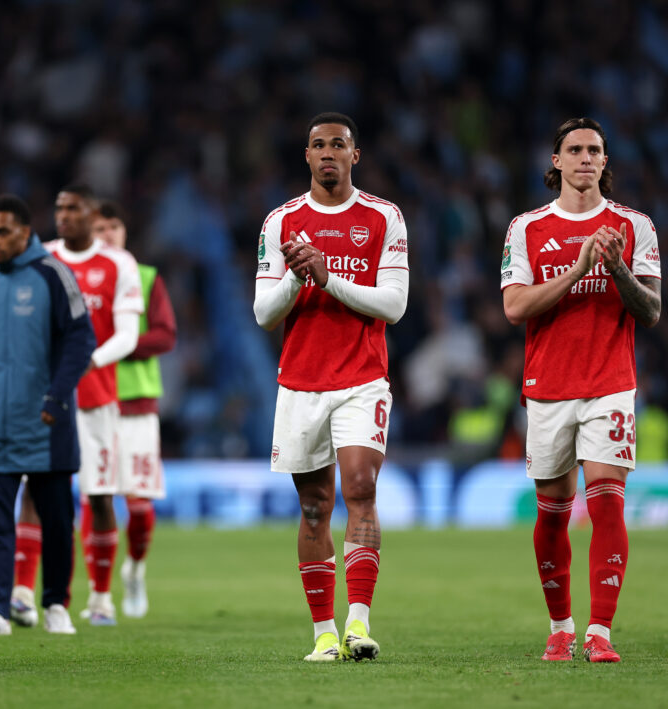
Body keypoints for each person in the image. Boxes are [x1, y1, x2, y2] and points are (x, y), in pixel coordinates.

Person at [501, 117, 661, 663]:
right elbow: (515, 307)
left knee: (607, 504)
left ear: (605, 162)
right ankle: (561, 626)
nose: (586, 158)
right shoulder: (527, 228)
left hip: (610, 384)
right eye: (575, 150)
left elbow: (652, 310)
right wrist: (579, 267)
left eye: (595, 150)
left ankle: (600, 633)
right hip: (548, 387)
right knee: (551, 513)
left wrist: (616, 268)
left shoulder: (634, 226)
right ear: (556, 162)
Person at [253, 112, 409, 662]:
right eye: (317, 144)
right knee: (315, 508)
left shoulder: (383, 217)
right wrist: (297, 276)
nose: (327, 153)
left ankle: (358, 624)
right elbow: (263, 313)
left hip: (362, 378)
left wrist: (329, 276)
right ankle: (323, 633)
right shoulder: (281, 222)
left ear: (354, 155)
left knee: (360, 490)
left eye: (338, 145)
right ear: (306, 155)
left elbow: (394, 304)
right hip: (300, 382)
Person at [0, 194, 95, 637]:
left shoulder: (53, 275)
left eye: (1, 232)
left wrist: (57, 397)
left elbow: (80, 340)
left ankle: (56, 603)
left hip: (45, 422)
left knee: (56, 523)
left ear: (24, 231)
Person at [12, 184, 142, 627]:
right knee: (33, 488)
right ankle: (23, 592)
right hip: (44, 397)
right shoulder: (41, 258)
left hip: (95, 399)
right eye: (59, 207)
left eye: (73, 209)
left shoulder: (118, 263)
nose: (63, 216)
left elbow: (128, 335)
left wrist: (86, 361)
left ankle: (101, 598)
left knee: (100, 496)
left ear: (92, 215)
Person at [89, 200, 177, 618]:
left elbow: (165, 335)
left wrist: (118, 345)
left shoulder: (145, 278)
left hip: (138, 405)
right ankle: (99, 593)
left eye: (113, 227)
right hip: (92, 401)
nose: (106, 235)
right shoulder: (79, 277)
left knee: (139, 508)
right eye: (99, 228)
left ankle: (136, 569)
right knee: (97, 498)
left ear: (124, 233)